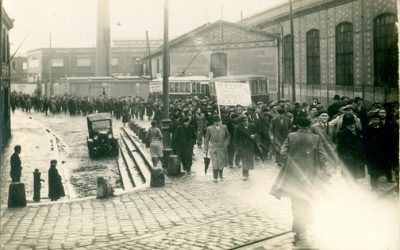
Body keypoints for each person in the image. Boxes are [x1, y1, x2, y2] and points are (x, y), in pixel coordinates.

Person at [270, 116, 327, 244]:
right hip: (310, 177)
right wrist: (320, 170)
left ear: (298, 125)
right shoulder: (316, 138)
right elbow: (322, 157)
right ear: (309, 125)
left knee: (296, 203)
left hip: (293, 176)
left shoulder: (291, 136)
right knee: (306, 200)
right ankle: (305, 225)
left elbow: (283, 153)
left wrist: (291, 165)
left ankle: (299, 229)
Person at [204, 115, 230, 182]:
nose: (217, 123)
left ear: (220, 121)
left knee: (221, 162)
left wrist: (226, 144)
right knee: (215, 162)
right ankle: (215, 177)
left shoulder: (224, 127)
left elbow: (228, 136)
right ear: (213, 122)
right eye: (216, 122)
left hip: (222, 147)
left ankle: (221, 173)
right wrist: (205, 148)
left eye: (218, 121)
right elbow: (206, 139)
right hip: (213, 147)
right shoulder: (209, 128)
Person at [235, 115, 256, 180]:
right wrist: (236, 149)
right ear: (241, 122)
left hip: (250, 146)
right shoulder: (238, 128)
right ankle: (244, 174)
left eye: (246, 120)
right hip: (242, 146)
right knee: (244, 160)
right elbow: (236, 139)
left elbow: (257, 133)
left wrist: (254, 136)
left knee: (249, 159)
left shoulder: (252, 126)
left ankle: (247, 172)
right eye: (244, 121)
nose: (245, 122)